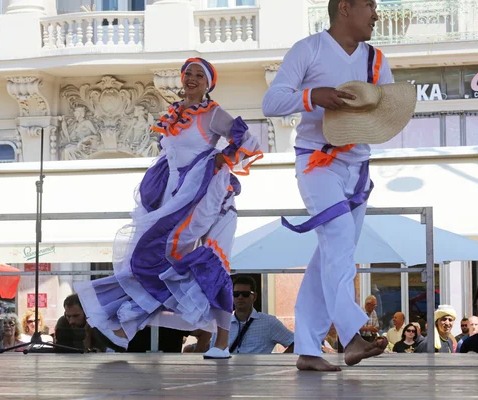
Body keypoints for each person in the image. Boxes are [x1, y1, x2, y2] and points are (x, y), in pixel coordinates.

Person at [74, 57, 263, 360]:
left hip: (211, 198)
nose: (192, 79)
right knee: (159, 261)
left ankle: (221, 342)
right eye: (188, 73)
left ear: (208, 84)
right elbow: (170, 158)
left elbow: (249, 141)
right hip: (178, 197)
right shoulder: (174, 114)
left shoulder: (212, 113)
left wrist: (219, 158)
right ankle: (133, 324)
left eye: (199, 75)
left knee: (211, 262)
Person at [262, 0, 415, 371]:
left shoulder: (375, 59)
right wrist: (313, 96)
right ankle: (351, 337)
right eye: (370, 5)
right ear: (344, 8)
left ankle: (309, 351)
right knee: (340, 240)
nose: (377, 14)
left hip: (358, 167)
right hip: (316, 161)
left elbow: (382, 110)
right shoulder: (308, 49)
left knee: (329, 256)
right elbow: (271, 101)